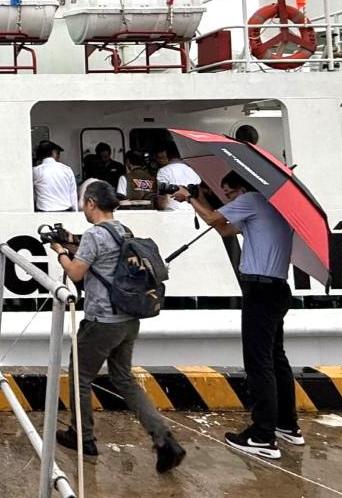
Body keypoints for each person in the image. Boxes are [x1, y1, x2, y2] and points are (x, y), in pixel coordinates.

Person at [48, 181, 186, 472]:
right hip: (128, 318)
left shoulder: (95, 236)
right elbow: (102, 254)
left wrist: (60, 250)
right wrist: (72, 240)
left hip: (102, 321)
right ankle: (164, 440)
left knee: (80, 377)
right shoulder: (123, 230)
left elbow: (75, 274)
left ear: (91, 204)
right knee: (123, 379)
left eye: (84, 202)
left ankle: (82, 437)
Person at [175, 171, 302, 459]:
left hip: (260, 289)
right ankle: (286, 424)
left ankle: (262, 436)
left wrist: (191, 198)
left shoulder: (254, 200)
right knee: (276, 358)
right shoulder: (272, 207)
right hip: (277, 288)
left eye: (230, 194)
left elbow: (211, 219)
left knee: (259, 364)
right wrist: (201, 198)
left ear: (242, 188)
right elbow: (224, 230)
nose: (230, 199)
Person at [154, 142, 200, 211]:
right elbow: (199, 194)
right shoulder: (193, 170)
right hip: (192, 210)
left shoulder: (163, 171)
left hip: (172, 212)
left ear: (167, 154)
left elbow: (162, 199)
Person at [33, 141, 77, 211]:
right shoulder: (67, 169)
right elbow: (73, 195)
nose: (59, 157)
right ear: (53, 153)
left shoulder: (35, 171)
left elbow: (34, 195)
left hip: (43, 214)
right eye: (58, 153)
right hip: (66, 212)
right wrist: (75, 212)